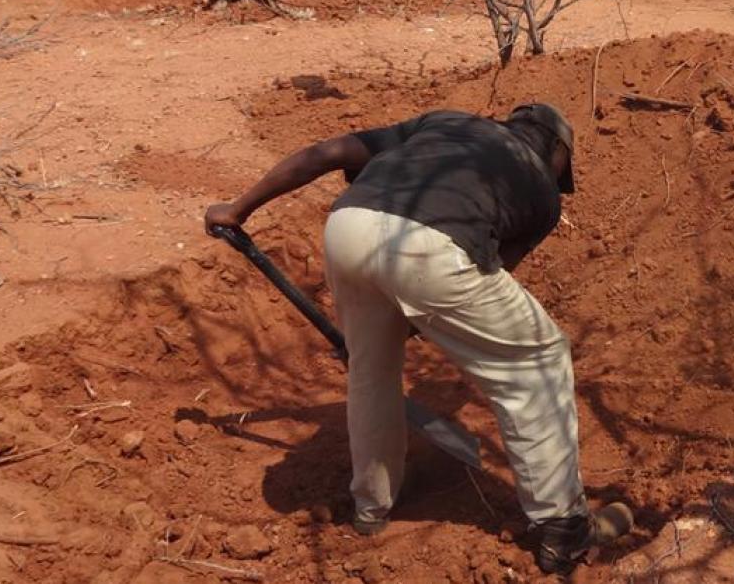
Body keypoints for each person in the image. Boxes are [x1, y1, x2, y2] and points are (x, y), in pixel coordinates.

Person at [202, 104, 631, 575]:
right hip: (432, 252)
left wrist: (239, 207)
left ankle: (371, 507)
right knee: (539, 356)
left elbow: (326, 153)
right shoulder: (545, 196)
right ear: (557, 153)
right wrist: (426, 308)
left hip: (348, 227)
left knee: (371, 372)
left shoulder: (446, 124)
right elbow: (492, 268)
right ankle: (564, 527)